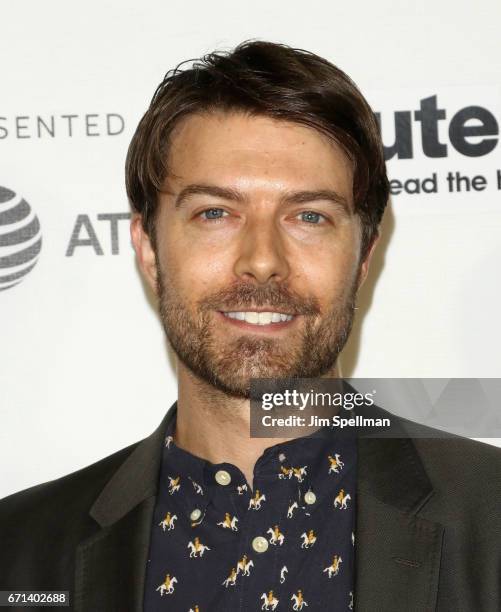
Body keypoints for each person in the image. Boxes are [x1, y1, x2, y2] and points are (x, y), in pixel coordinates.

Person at [1, 40, 500, 612]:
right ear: (147, 248)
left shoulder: (492, 519)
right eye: (215, 213)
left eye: (309, 216)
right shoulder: (19, 553)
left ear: (363, 255)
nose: (262, 259)